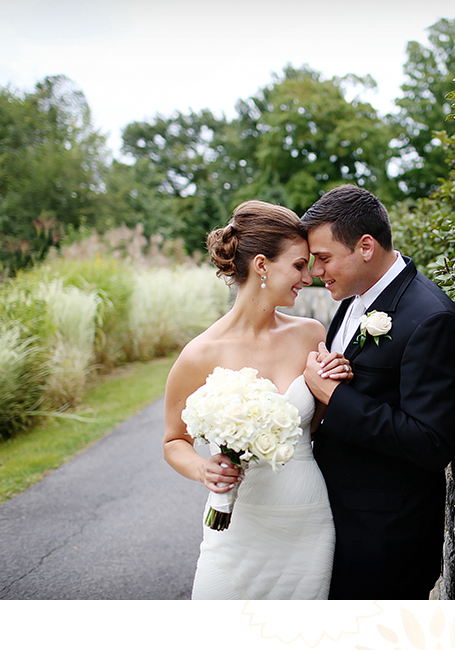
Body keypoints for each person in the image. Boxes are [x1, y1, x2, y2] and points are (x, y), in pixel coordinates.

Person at [162, 200, 351, 599]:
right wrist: (203, 470)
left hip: (306, 520)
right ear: (262, 265)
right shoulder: (199, 354)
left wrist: (333, 385)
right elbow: (173, 441)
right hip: (238, 523)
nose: (310, 277)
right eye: (299, 265)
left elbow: (315, 422)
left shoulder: (310, 333)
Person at [301, 184, 455, 599]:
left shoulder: (431, 318)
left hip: (383, 536)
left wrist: (333, 396)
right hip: (335, 517)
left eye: (323, 259)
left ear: (365, 246)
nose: (315, 273)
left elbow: (431, 443)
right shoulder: (354, 298)